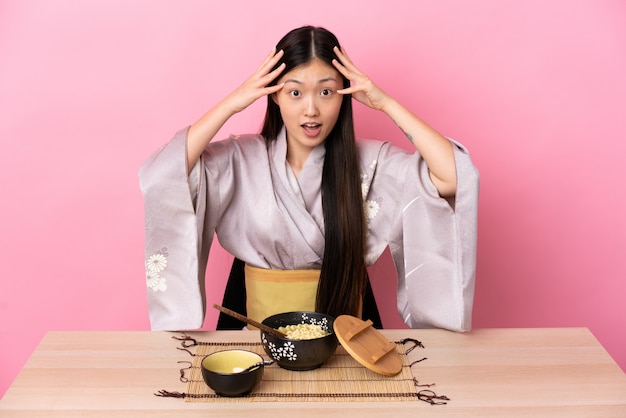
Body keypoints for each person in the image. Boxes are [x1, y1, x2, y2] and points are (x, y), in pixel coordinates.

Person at [139, 26, 479, 332]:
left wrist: (385, 102)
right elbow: (163, 177)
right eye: (296, 92)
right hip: (256, 331)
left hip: (346, 330)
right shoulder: (239, 160)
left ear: (344, 95)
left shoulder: (371, 163)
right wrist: (232, 103)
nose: (311, 109)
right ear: (273, 94)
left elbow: (453, 179)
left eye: (326, 92)